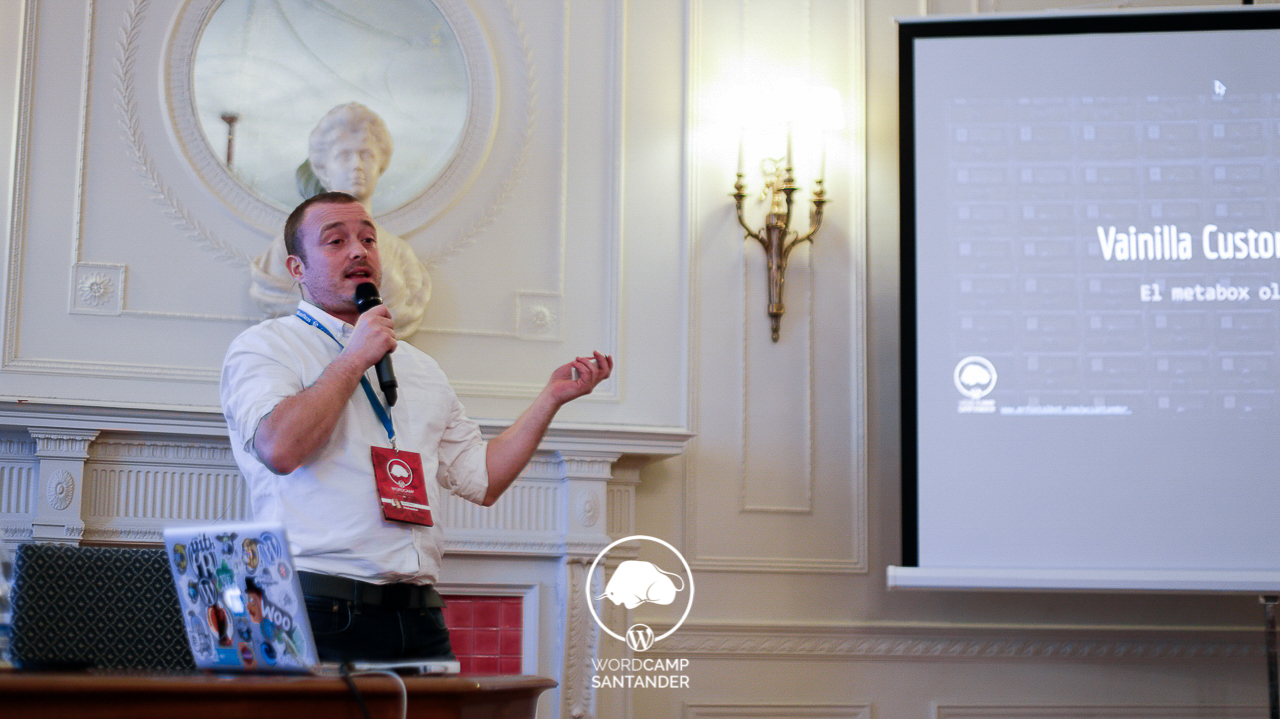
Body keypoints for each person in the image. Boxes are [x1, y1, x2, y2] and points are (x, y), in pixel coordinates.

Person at [222, 191, 612, 662]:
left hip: (419, 614)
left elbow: (483, 479)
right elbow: (280, 449)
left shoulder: (419, 367)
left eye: (368, 239)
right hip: (316, 606)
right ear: (297, 268)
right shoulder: (267, 346)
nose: (358, 251)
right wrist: (354, 358)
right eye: (336, 241)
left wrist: (549, 399)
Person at [250, 103, 431, 339]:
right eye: (344, 155)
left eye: (366, 155)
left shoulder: (402, 256)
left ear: (380, 166)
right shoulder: (285, 249)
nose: (357, 165)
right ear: (323, 169)